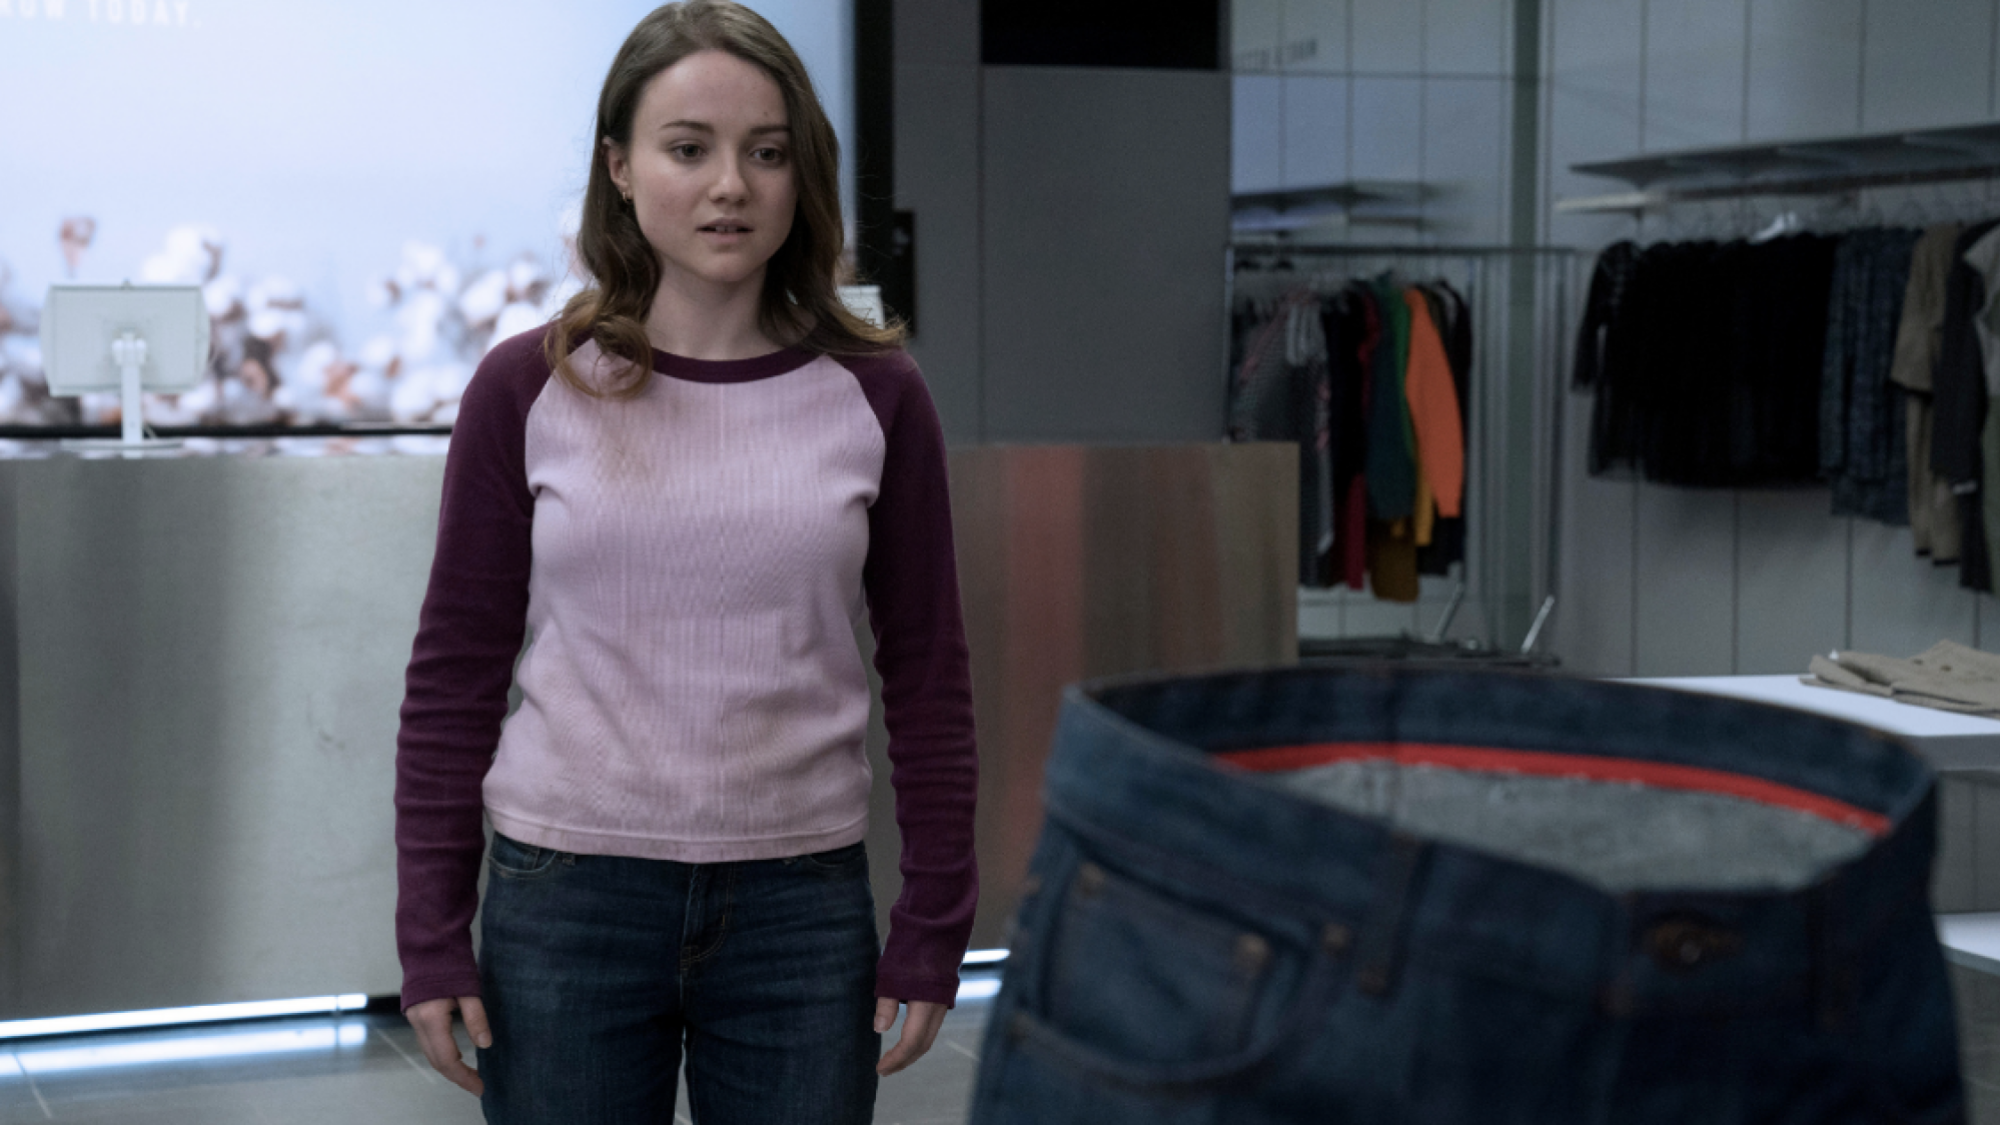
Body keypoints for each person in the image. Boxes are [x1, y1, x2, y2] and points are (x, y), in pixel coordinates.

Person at [391, 3, 979, 1121]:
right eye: (686, 147)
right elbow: (456, 673)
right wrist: (429, 934)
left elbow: (929, 672)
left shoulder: (877, 393)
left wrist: (933, 923)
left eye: (766, 153)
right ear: (618, 167)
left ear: (802, 174)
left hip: (799, 909)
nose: (730, 187)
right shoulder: (526, 386)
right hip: (564, 899)